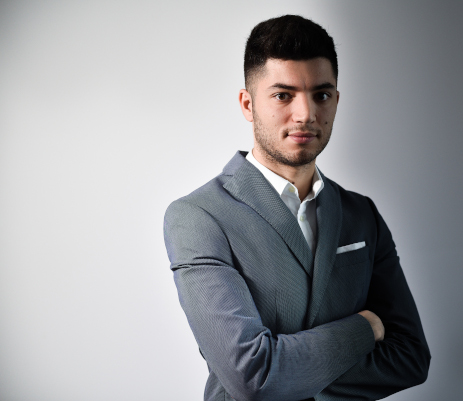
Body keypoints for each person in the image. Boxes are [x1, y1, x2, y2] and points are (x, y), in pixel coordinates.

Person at [163, 15, 430, 401]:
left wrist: (289, 375)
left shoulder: (362, 214)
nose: (305, 114)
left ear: (336, 100)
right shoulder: (198, 217)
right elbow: (253, 378)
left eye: (321, 95)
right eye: (283, 95)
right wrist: (365, 327)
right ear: (248, 104)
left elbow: (411, 357)